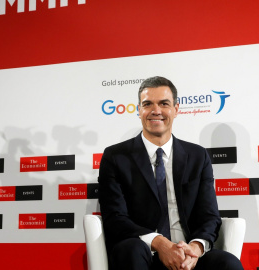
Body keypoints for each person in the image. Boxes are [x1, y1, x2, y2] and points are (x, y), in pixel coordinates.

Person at [98, 76, 243, 270]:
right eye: (148, 104)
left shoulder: (198, 156)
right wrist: (160, 243)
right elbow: (115, 218)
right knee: (130, 250)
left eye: (164, 104)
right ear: (139, 110)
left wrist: (196, 248)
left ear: (176, 109)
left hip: (188, 254)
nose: (155, 111)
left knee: (228, 264)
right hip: (143, 252)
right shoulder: (115, 156)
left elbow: (209, 216)